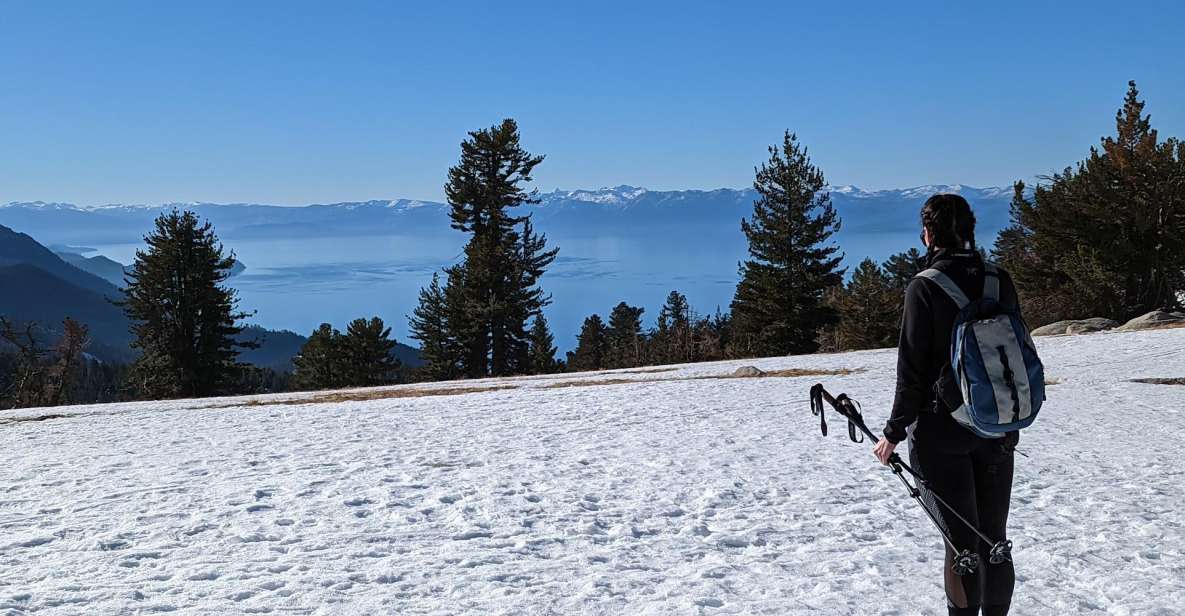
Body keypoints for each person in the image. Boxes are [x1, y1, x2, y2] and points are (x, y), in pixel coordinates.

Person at [871, 193, 1020, 616]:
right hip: (997, 427)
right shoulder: (998, 279)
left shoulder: (926, 286)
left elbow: (913, 371)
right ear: (970, 229)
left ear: (929, 233)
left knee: (961, 543)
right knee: (994, 537)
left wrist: (893, 432)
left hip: (942, 432)